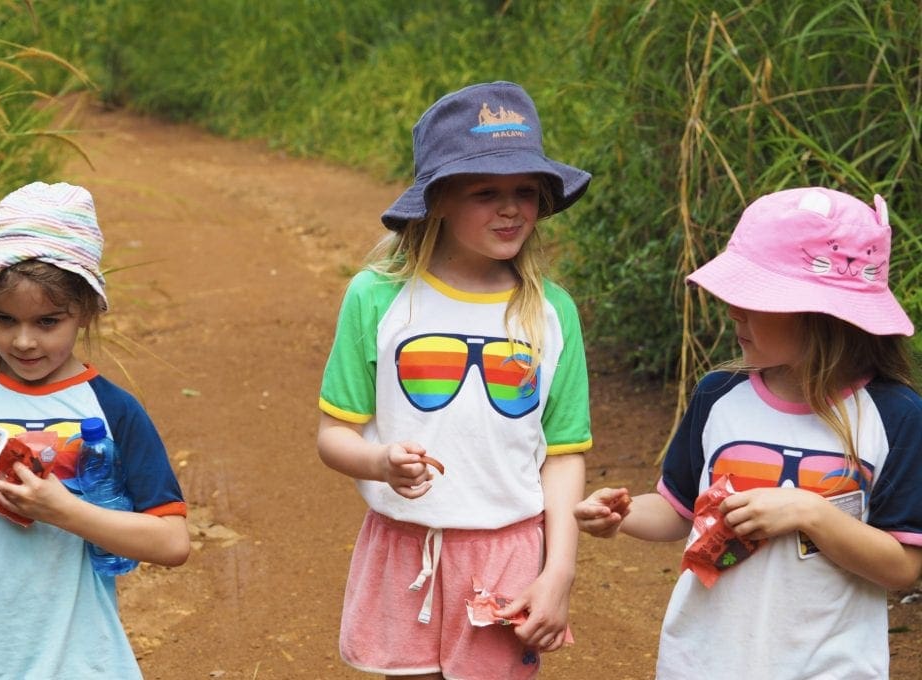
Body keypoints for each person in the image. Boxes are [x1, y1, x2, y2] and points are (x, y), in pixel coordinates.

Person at [575, 187, 922, 679]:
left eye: (754, 298)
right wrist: (623, 514)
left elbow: (902, 566)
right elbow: (677, 512)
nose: (734, 311)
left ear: (822, 316)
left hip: (831, 665)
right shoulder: (719, 396)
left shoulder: (894, 415)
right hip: (707, 658)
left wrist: (807, 512)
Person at [317, 81, 593, 679]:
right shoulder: (378, 299)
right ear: (436, 199)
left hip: (510, 553)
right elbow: (334, 432)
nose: (511, 208)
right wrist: (380, 462)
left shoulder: (552, 312)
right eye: (485, 192)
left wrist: (558, 573)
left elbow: (564, 455)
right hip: (404, 546)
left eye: (526, 191)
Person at [0, 181, 190, 679]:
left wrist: (65, 511)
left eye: (49, 321)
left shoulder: (114, 410)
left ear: (87, 311)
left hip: (79, 660)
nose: (25, 340)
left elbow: (171, 543)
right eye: (4, 319)